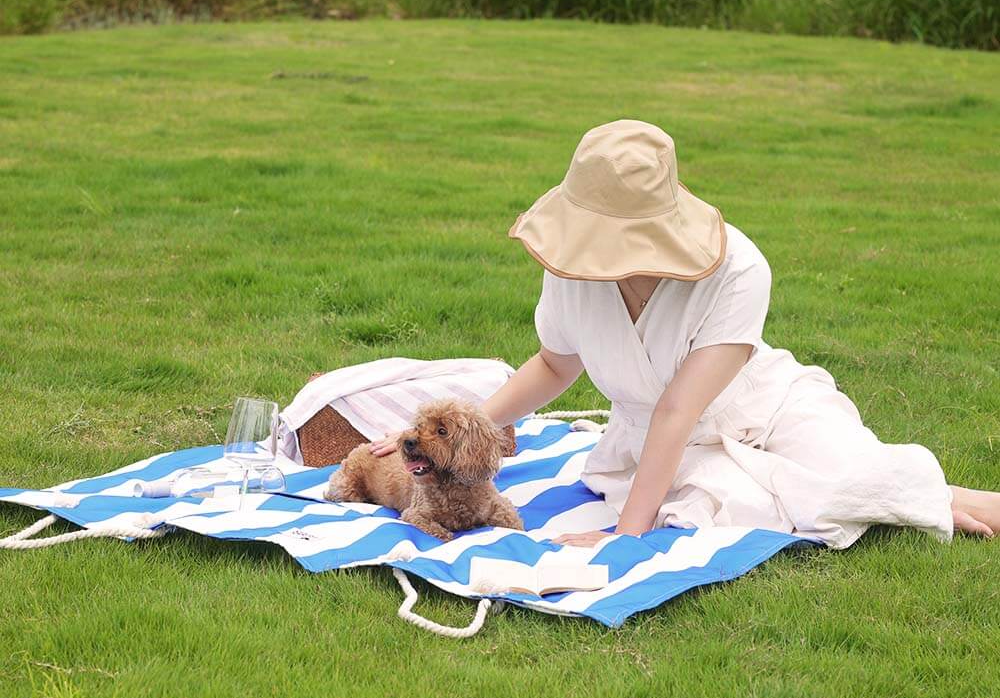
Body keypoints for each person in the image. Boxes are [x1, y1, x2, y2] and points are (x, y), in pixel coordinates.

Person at [372, 119, 1000, 547]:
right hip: (662, 444)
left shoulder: (740, 268)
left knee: (843, 471)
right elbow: (554, 365)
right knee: (763, 504)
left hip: (764, 406)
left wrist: (626, 536)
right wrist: (448, 436)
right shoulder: (572, 267)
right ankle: (926, 498)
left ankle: (936, 496)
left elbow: (682, 404)